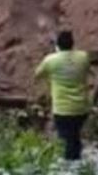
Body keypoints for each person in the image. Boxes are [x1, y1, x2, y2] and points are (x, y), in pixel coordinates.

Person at [34, 30, 91, 160]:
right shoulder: (83, 57)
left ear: (57, 45)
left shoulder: (51, 60)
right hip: (81, 108)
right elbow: (86, 70)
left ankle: (70, 167)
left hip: (62, 109)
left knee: (66, 140)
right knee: (74, 135)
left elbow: (37, 74)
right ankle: (77, 163)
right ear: (73, 44)